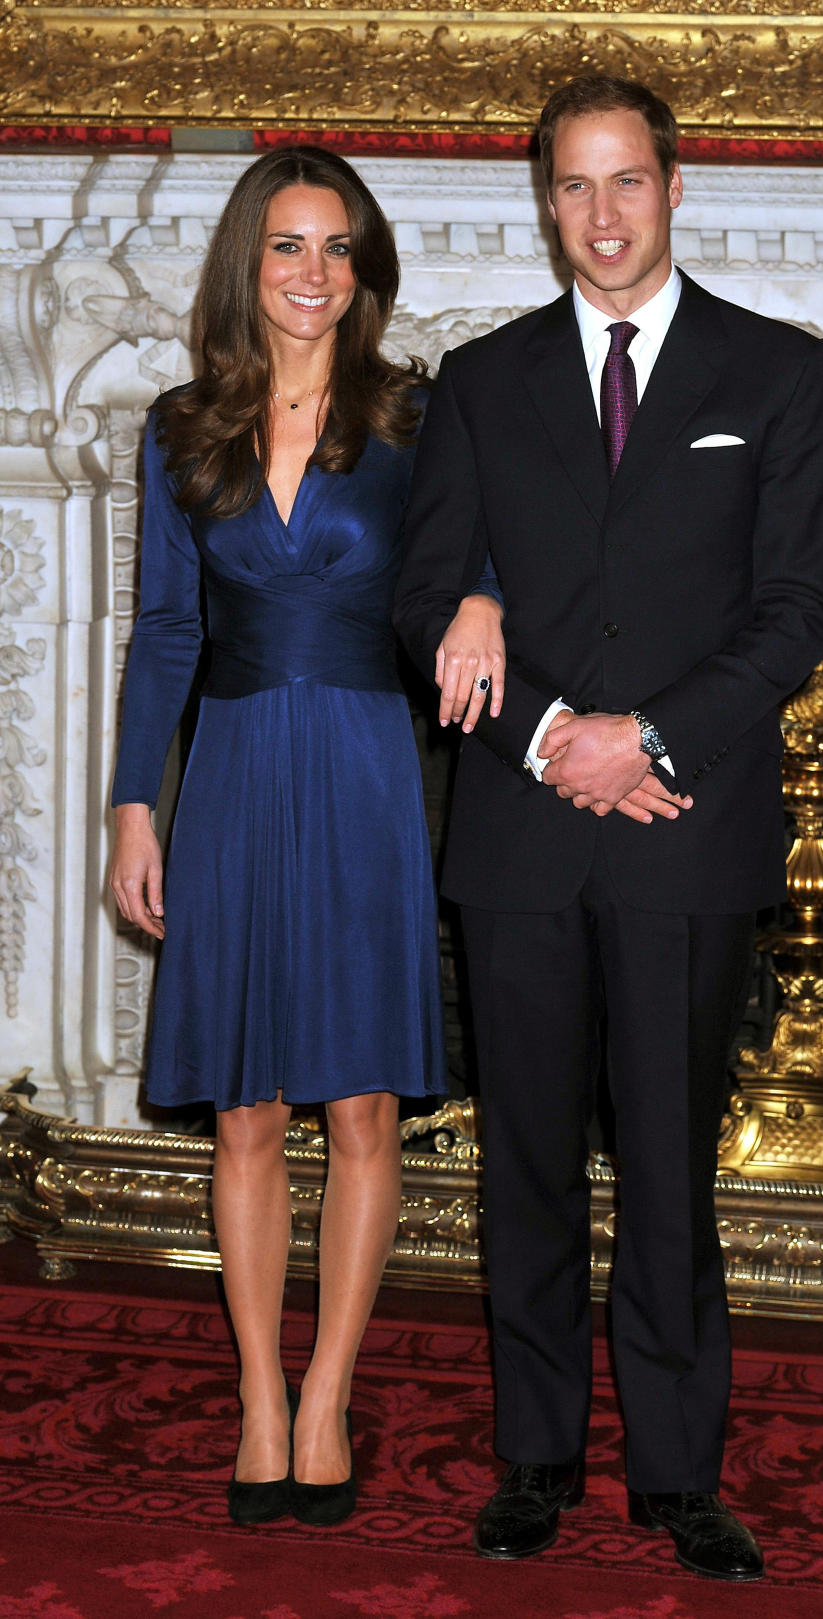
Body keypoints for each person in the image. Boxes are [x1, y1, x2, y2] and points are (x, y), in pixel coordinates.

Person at [395, 75, 823, 1582]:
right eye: (573, 187)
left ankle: (674, 1472)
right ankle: (537, 1457)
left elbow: (792, 619)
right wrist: (545, 739)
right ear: (546, 204)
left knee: (668, 1164)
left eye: (627, 182)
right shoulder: (480, 378)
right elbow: (427, 594)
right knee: (523, 1161)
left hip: (684, 821)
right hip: (521, 836)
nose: (602, 214)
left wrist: (639, 739)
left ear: (673, 187)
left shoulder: (777, 374)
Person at [108, 145, 505, 1529]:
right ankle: (260, 1398)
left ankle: (331, 1393)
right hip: (228, 778)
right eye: (288, 245)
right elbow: (164, 631)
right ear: (247, 261)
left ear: (365, 272)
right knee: (249, 1113)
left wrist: (484, 605)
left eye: (338, 249)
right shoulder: (178, 429)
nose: (312, 273)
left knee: (360, 1106)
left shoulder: (412, 419)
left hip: (361, 768)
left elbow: (483, 551)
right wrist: (129, 808)